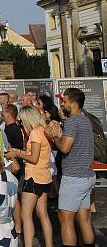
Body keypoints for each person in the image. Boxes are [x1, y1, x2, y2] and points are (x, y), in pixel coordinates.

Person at [45, 87, 96, 247]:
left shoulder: (73, 122)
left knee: (65, 219)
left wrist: (55, 137)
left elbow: (65, 148)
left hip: (74, 177)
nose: (61, 105)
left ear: (73, 104)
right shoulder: (85, 119)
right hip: (87, 175)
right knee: (84, 218)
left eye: (64, 102)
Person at [5, 106, 52, 247]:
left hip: (33, 177)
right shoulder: (43, 131)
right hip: (44, 176)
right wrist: (19, 150)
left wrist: (17, 154)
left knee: (26, 216)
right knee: (43, 214)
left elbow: (33, 158)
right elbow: (35, 153)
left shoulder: (35, 133)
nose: (20, 124)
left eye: (22, 121)